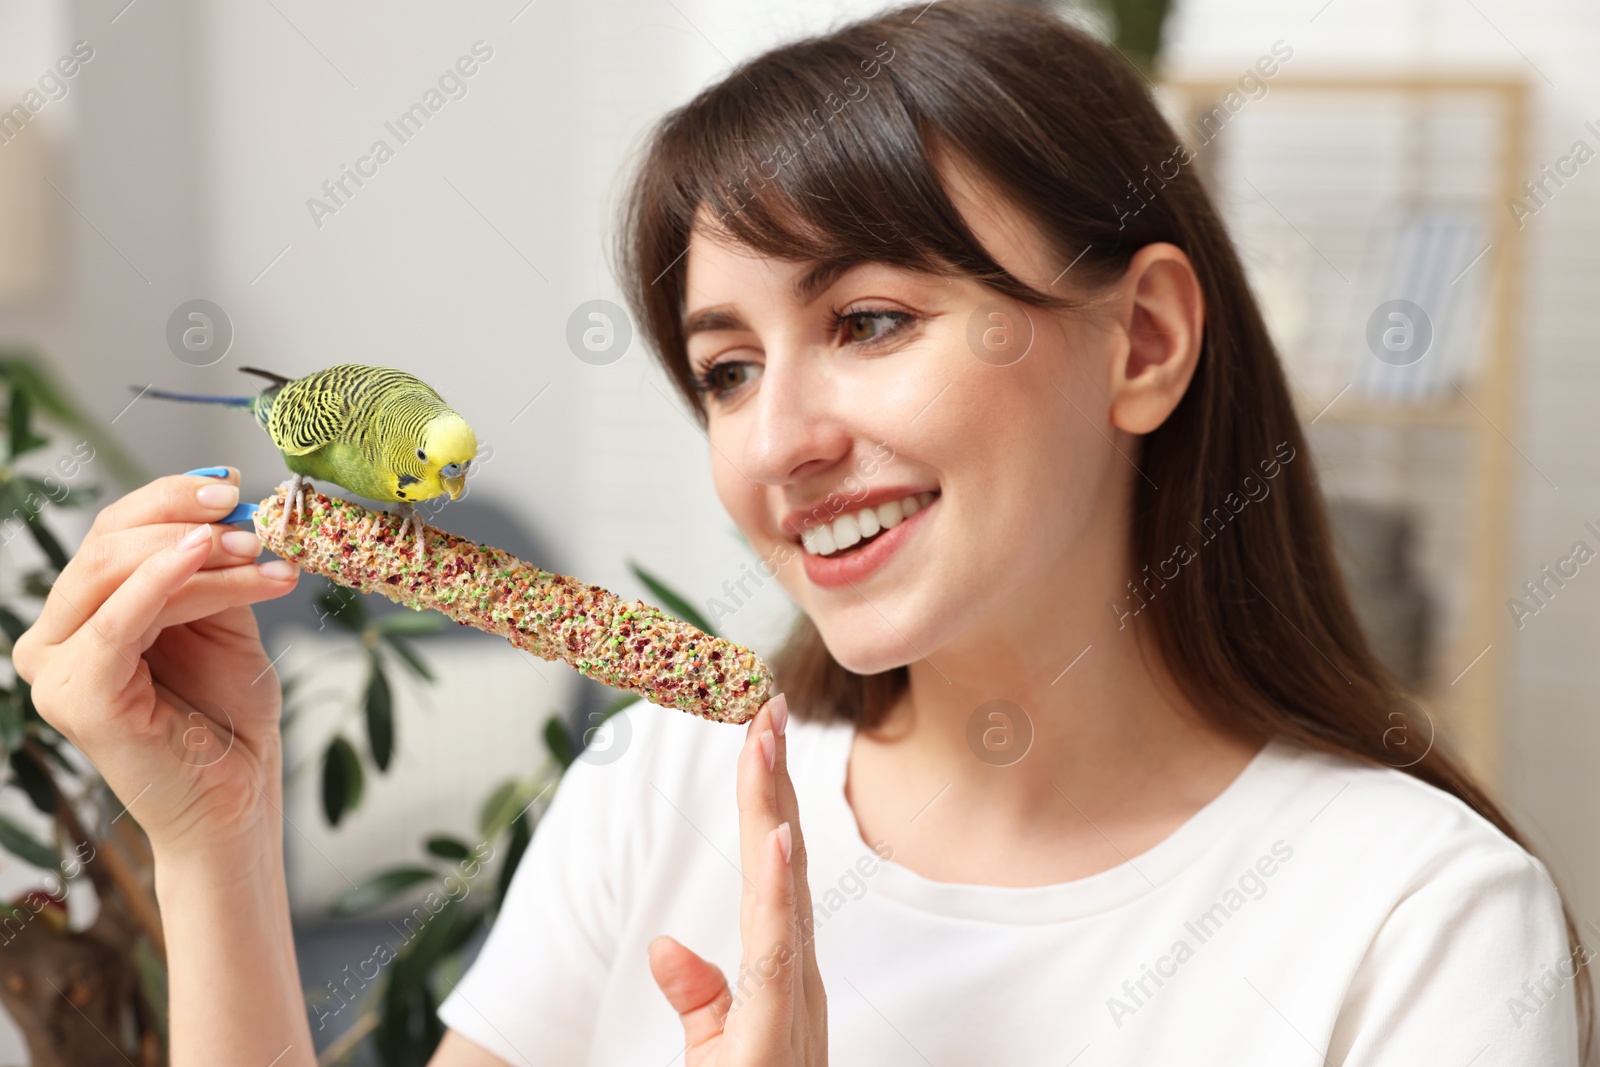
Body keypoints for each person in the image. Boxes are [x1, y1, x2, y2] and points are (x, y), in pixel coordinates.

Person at [13, 1, 1589, 1064]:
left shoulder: (1417, 924)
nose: (778, 442)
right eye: (726, 368)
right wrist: (213, 837)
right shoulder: (667, 784)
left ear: (1145, 340)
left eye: (875, 317)